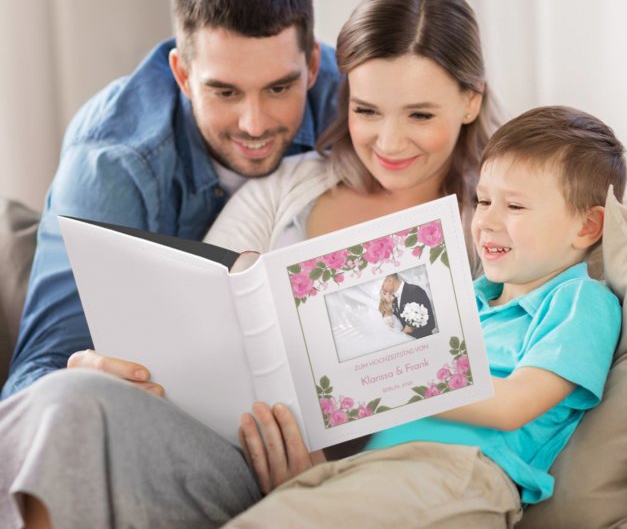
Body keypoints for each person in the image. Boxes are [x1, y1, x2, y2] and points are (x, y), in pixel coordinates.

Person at [0, 0, 500, 528]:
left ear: (470, 99)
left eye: (420, 116)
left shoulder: (492, 227)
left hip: (357, 484)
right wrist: (109, 366)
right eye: (367, 111)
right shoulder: (291, 184)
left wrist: (320, 480)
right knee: (71, 399)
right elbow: (189, 308)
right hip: (214, 449)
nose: (389, 141)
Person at [224, 106, 624, 528]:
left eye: (516, 206)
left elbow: (513, 405)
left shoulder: (581, 300)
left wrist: (389, 370)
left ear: (586, 227)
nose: (486, 220)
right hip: (373, 467)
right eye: (483, 200)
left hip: (461, 473)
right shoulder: (463, 295)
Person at [1, 0, 340, 399]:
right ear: (182, 74)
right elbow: (31, 381)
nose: (254, 123)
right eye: (224, 91)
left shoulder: (355, 103)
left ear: (312, 65)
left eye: (279, 88)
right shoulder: (112, 164)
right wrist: (80, 384)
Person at [380, 272, 437, 338]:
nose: (382, 289)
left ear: (390, 280)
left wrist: (412, 326)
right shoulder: (393, 300)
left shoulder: (415, 290)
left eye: (382, 285)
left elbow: (431, 323)